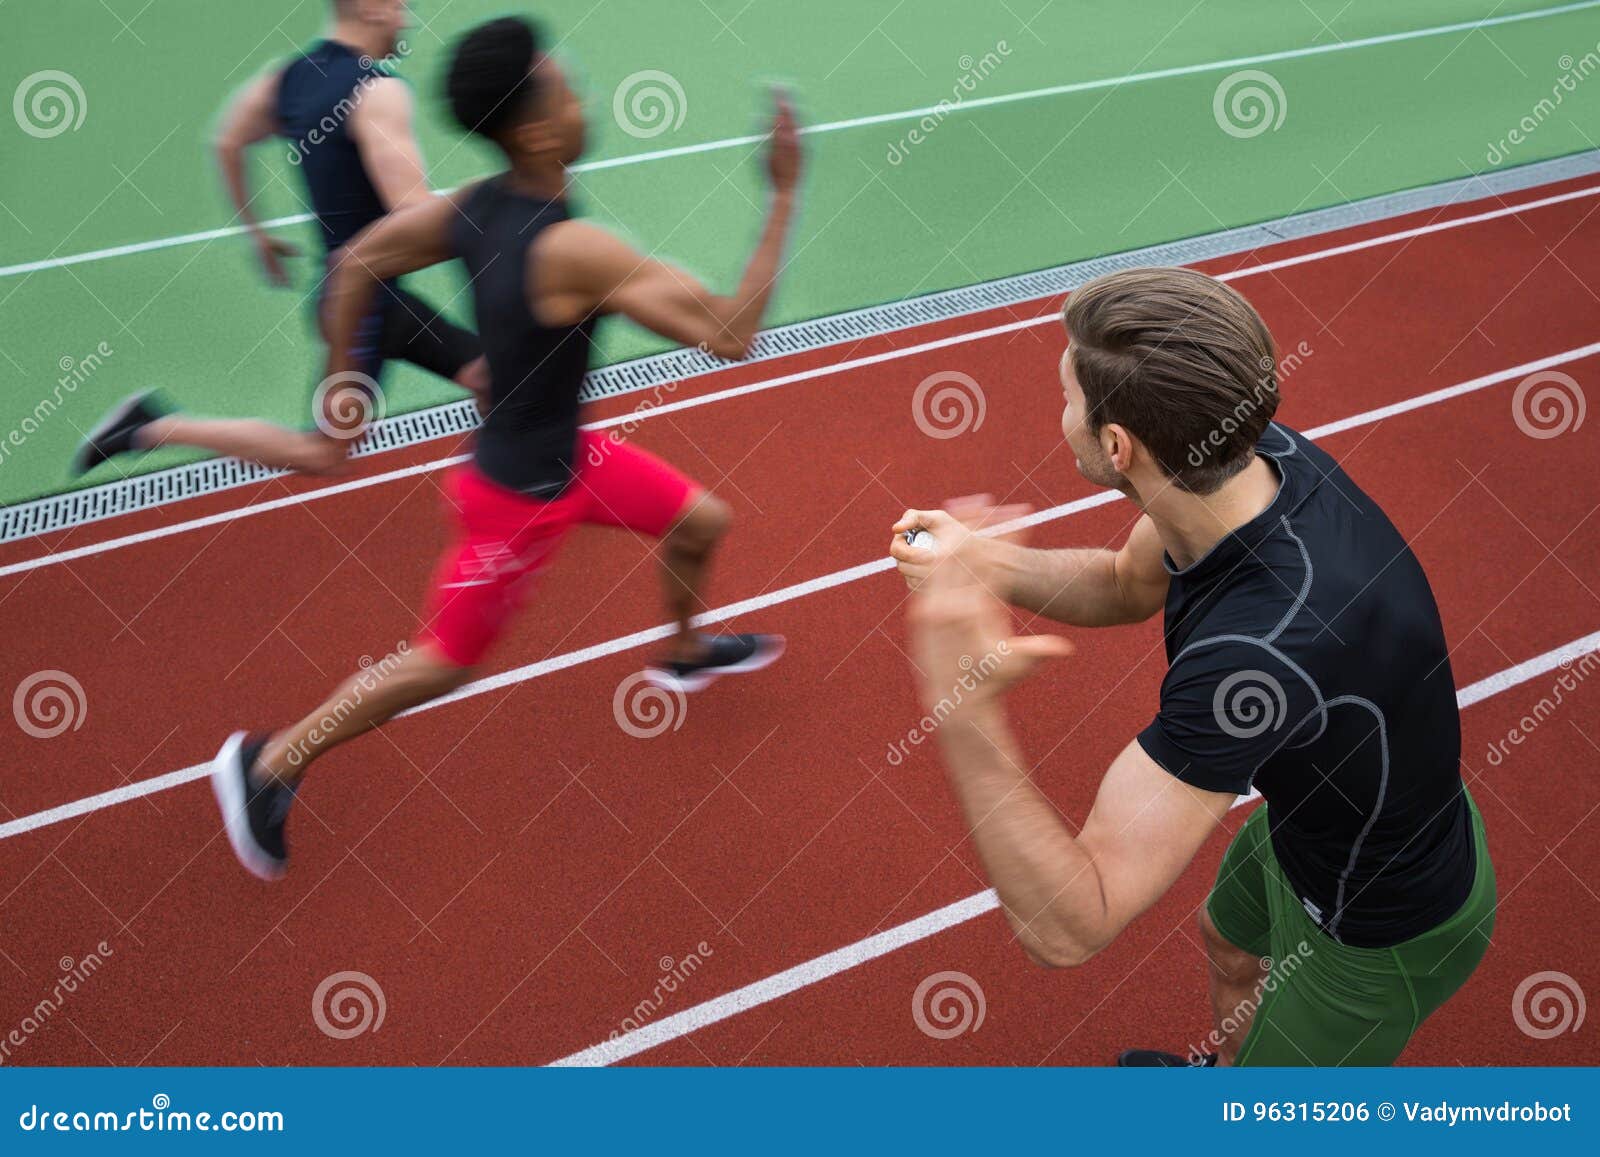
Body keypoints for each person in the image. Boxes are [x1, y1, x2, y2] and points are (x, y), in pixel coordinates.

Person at [210, 14, 798, 881]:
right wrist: (783, 191)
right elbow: (732, 332)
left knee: (703, 522)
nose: (583, 96)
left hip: (572, 456)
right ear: (533, 128)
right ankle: (267, 764)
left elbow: (358, 260)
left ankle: (680, 652)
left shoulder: (477, 206)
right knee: (441, 663)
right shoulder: (574, 248)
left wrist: (342, 377)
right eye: (567, 88)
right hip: (518, 501)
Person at [891, 267, 1495, 1066]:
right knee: (1227, 939)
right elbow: (1121, 583)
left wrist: (962, 708)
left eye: (1067, 395)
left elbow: (1074, 924)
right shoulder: (1247, 456)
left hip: (1377, 926)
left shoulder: (1256, 655)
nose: (1060, 411)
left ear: (1117, 445)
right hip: (1314, 827)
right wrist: (981, 562)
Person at [74, 0, 487, 478]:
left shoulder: (290, 77)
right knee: (323, 451)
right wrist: (497, 206)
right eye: (401, 5)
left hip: (364, 298)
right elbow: (411, 211)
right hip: (360, 311)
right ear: (372, 7)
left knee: (490, 378)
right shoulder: (379, 92)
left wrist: (258, 235)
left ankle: (512, 485)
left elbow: (227, 141)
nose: (408, 18)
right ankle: (152, 426)